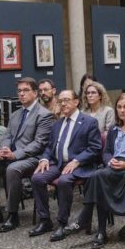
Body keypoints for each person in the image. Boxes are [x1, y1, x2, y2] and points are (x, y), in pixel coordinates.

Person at [73, 92, 125, 249]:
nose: (122, 110)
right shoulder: (113, 128)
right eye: (119, 107)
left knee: (97, 177)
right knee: (100, 181)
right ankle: (100, 231)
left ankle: (87, 221)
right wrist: (110, 161)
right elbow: (106, 152)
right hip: (113, 167)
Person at [0, 77, 54, 232]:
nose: (21, 94)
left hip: (33, 158)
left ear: (35, 93)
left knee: (12, 169)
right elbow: (7, 136)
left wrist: (15, 155)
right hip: (10, 155)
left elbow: (39, 143)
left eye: (26, 90)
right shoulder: (16, 114)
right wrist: (2, 150)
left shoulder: (44, 115)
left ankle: (12, 215)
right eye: (19, 91)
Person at [29, 89, 101, 241]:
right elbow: (49, 147)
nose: (63, 104)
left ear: (76, 102)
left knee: (63, 181)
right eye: (60, 101)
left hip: (80, 165)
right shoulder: (57, 124)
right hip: (59, 163)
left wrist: (77, 161)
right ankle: (45, 220)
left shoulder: (89, 122)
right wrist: (44, 159)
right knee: (37, 178)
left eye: (66, 100)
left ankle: (62, 223)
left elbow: (94, 148)